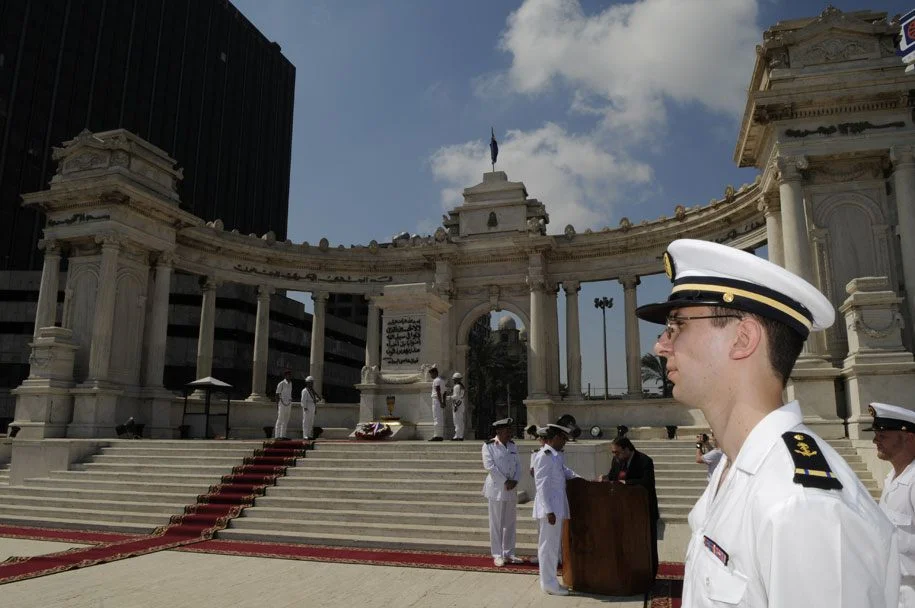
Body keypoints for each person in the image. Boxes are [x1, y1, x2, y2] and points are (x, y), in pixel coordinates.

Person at [636, 238, 899, 607]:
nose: (660, 346)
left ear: (743, 339)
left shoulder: (802, 508)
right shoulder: (738, 470)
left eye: (676, 325)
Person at [868, 402, 915, 606]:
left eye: (883, 435)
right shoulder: (892, 479)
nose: (875, 440)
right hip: (895, 590)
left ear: (908, 437)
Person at [599, 436, 660, 577]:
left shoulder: (645, 461)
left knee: (647, 544)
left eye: (617, 452)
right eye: (613, 452)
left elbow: (646, 482)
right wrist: (606, 478)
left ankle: (649, 575)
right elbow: (613, 476)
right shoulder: (617, 460)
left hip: (644, 510)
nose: (615, 455)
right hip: (624, 511)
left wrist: (626, 483)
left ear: (627, 449)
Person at [532, 423, 580, 596]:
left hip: (556, 507)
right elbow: (541, 484)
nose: (565, 442)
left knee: (552, 547)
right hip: (550, 510)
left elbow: (563, 472)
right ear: (555, 438)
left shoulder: (555, 455)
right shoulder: (544, 456)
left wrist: (580, 479)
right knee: (548, 547)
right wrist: (548, 510)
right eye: (563, 439)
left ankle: (550, 581)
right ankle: (549, 584)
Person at [482, 417, 522, 566]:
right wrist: (505, 481)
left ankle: (509, 553)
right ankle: (497, 554)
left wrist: (515, 480)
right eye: (507, 430)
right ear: (498, 431)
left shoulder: (512, 446)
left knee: (510, 523)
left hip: (511, 489)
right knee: (496, 523)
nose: (510, 433)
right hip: (497, 489)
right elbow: (490, 467)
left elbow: (518, 465)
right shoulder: (489, 446)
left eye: (510, 430)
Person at [273, 369, 294, 440]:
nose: (289, 376)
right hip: (282, 403)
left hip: (288, 403)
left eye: (290, 375)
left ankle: (283, 435)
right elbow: (277, 394)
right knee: (280, 419)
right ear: (285, 375)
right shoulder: (281, 383)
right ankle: (277, 436)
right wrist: (277, 404)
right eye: (288, 375)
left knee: (286, 419)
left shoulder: (291, 383)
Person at [300, 375, 321, 440]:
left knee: (311, 421)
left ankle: (309, 434)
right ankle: (305, 435)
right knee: (306, 421)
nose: (312, 384)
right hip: (307, 406)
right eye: (310, 382)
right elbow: (303, 400)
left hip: (312, 406)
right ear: (307, 383)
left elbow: (314, 399)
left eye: (312, 382)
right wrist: (305, 407)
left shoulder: (312, 391)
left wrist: (317, 400)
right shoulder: (305, 390)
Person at [428, 365, 444, 441]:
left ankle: (436, 435)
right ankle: (440, 435)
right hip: (439, 400)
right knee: (439, 418)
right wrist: (443, 402)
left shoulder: (436, 380)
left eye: (431, 373)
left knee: (436, 418)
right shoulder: (442, 380)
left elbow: (438, 391)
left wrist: (440, 402)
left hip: (436, 400)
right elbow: (444, 392)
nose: (431, 375)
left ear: (435, 373)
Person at [450, 372, 466, 441]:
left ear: (456, 379)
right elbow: (461, 396)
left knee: (456, 421)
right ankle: (460, 435)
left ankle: (457, 436)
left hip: (457, 405)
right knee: (460, 421)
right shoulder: (462, 387)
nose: (453, 380)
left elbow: (456, 396)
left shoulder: (456, 386)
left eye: (454, 379)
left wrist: (448, 397)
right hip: (461, 404)